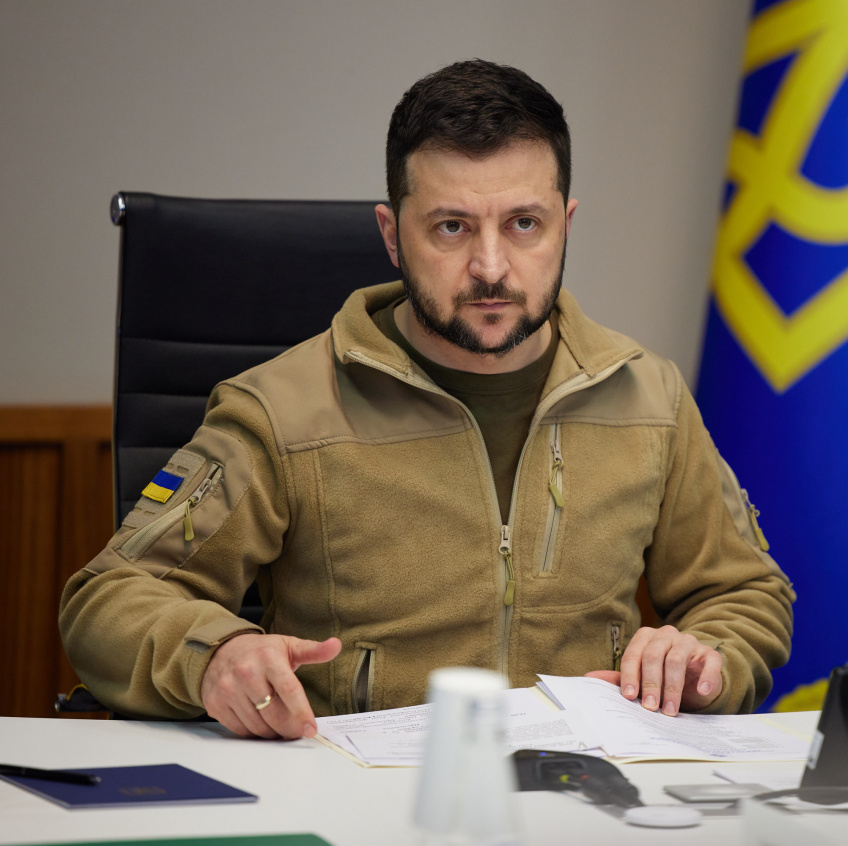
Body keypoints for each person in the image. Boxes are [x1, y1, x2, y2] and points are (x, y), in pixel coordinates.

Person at [59, 60, 795, 740]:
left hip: (579, 791)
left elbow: (746, 593)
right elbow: (108, 600)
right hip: (351, 799)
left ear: (565, 226)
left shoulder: (648, 397)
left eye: (524, 224)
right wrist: (214, 655)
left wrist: (708, 659)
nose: (491, 267)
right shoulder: (282, 411)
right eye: (451, 227)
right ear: (392, 235)